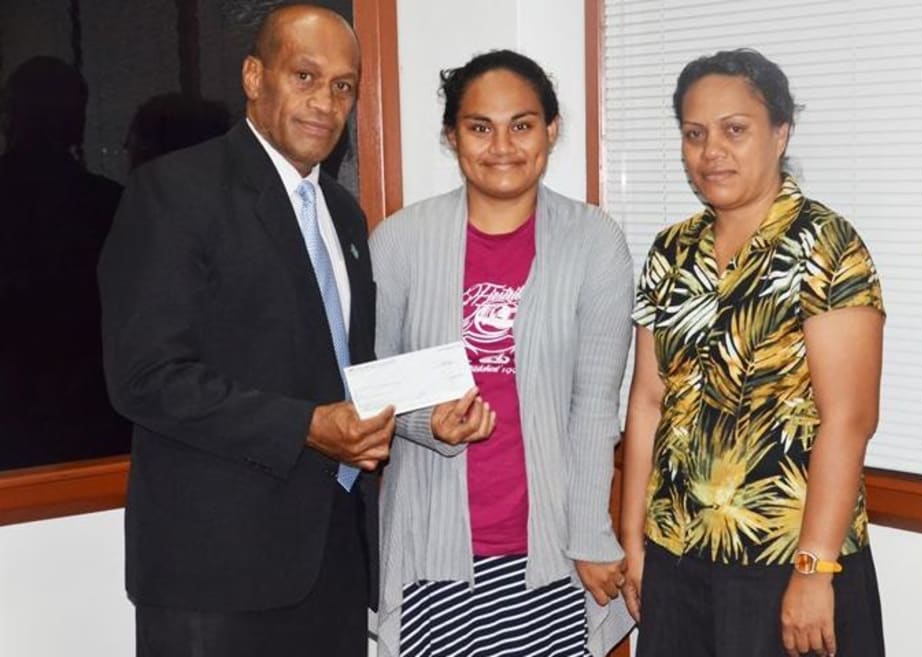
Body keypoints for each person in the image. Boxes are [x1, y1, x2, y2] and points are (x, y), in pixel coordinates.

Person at [97, 5, 393, 656]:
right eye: (305, 76)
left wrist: (424, 413)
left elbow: (343, 367)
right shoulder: (175, 192)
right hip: (217, 573)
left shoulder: (343, 213)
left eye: (343, 86)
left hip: (334, 562)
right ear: (254, 76)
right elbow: (145, 377)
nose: (326, 102)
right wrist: (306, 426)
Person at [620, 49, 886, 657]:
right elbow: (647, 402)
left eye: (734, 129)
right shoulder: (671, 251)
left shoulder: (827, 245)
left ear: (780, 132)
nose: (712, 150)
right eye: (695, 134)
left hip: (786, 556)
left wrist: (815, 569)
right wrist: (635, 539)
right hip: (677, 553)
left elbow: (849, 418)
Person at [370, 50, 635, 656]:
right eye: (479, 127)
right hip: (431, 544)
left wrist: (592, 536)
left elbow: (595, 405)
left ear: (552, 130)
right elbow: (372, 384)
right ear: (451, 135)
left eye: (522, 124)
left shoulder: (594, 242)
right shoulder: (401, 242)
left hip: (549, 549)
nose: (502, 146)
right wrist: (425, 422)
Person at [0, 56, 126, 470]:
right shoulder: (107, 203)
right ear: (78, 122)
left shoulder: (109, 203)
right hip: (93, 410)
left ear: (10, 116)